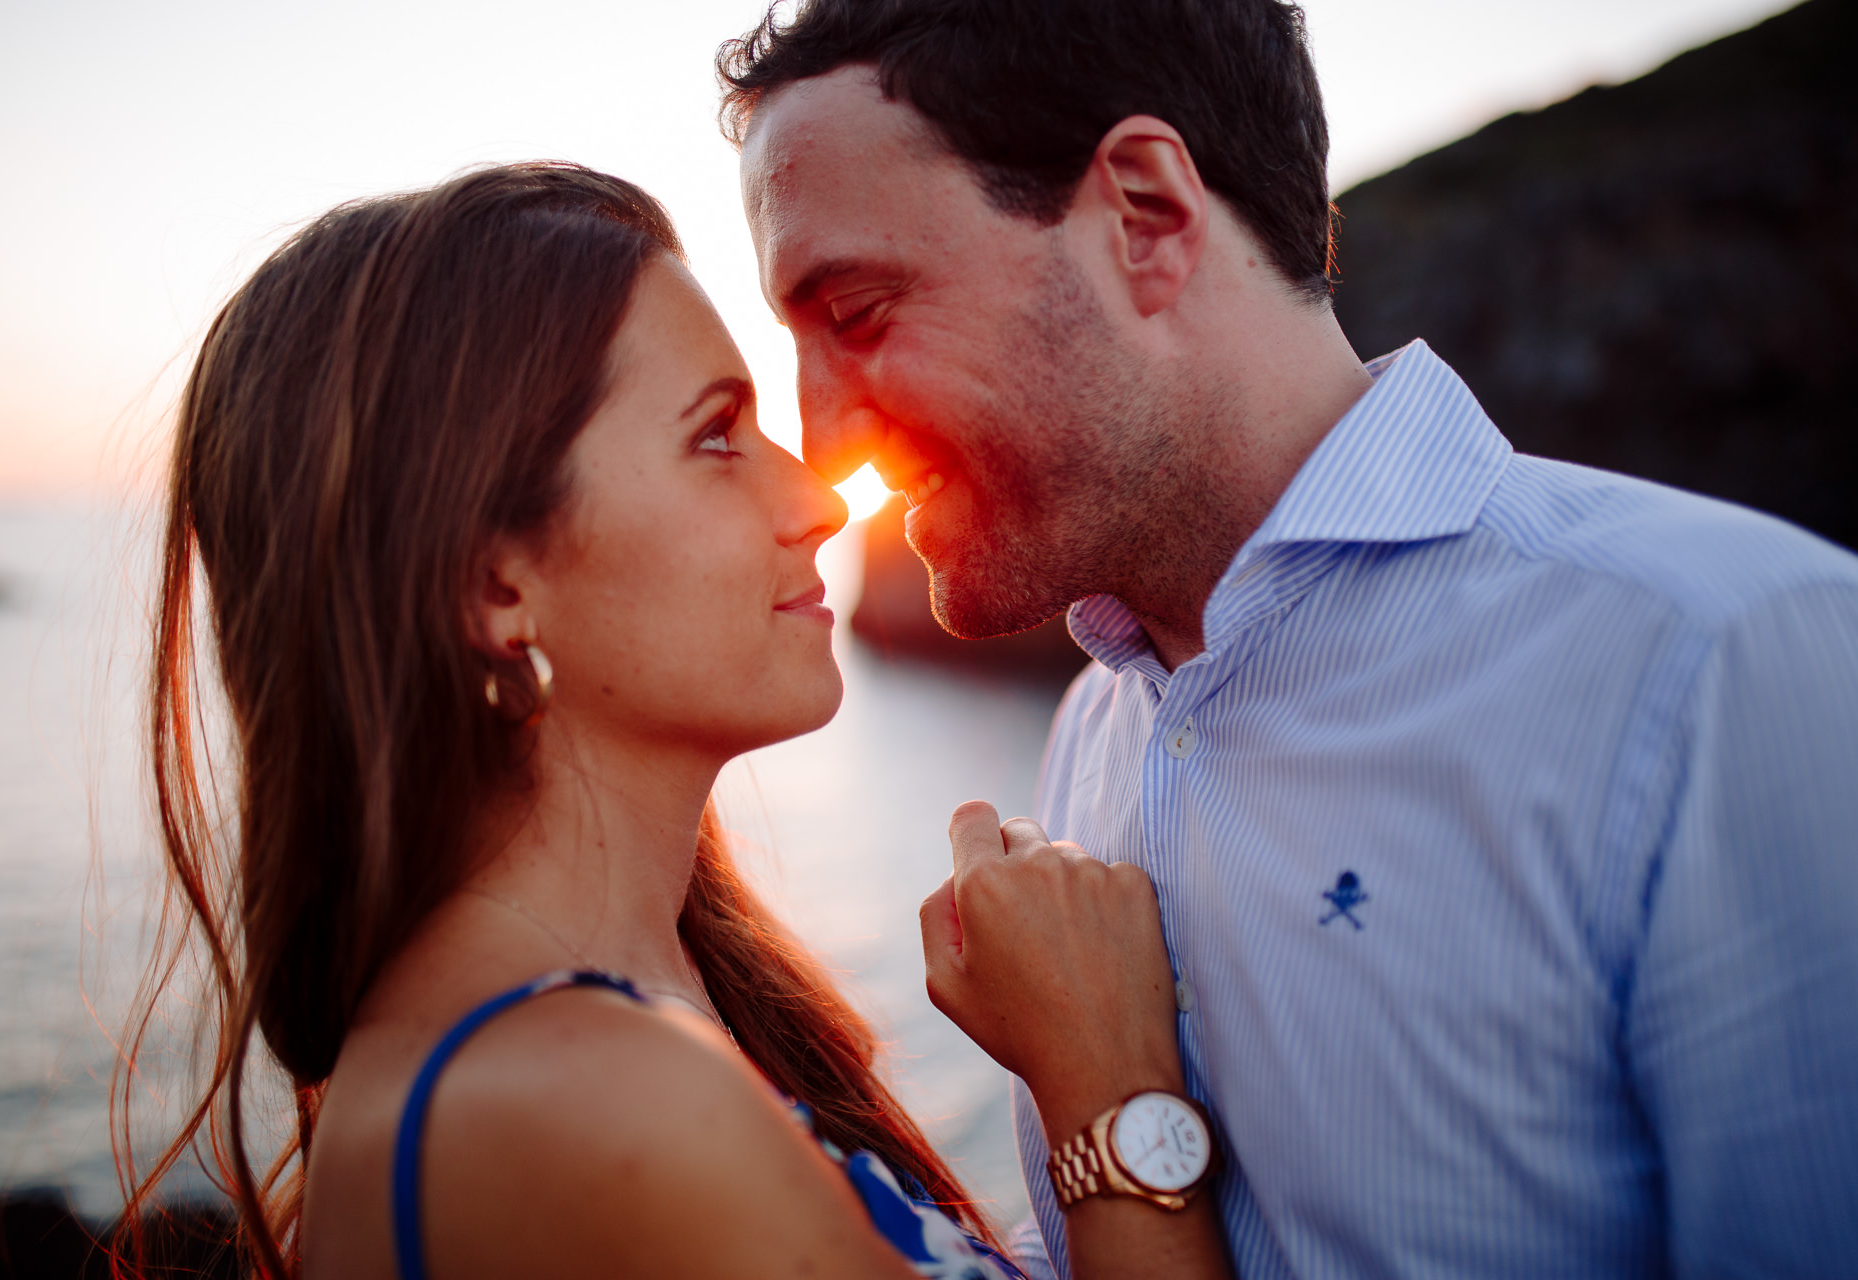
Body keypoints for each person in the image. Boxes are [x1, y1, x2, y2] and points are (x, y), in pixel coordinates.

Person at [717, 1, 1858, 1276]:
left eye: (860, 311)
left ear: (1146, 215)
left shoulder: (1728, 663)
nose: (822, 446)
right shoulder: (1104, 730)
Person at [116, 162, 1216, 1280]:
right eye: (714, 436)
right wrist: (1108, 1088)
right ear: (495, 585)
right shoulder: (607, 1103)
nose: (819, 498)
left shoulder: (532, 1041)